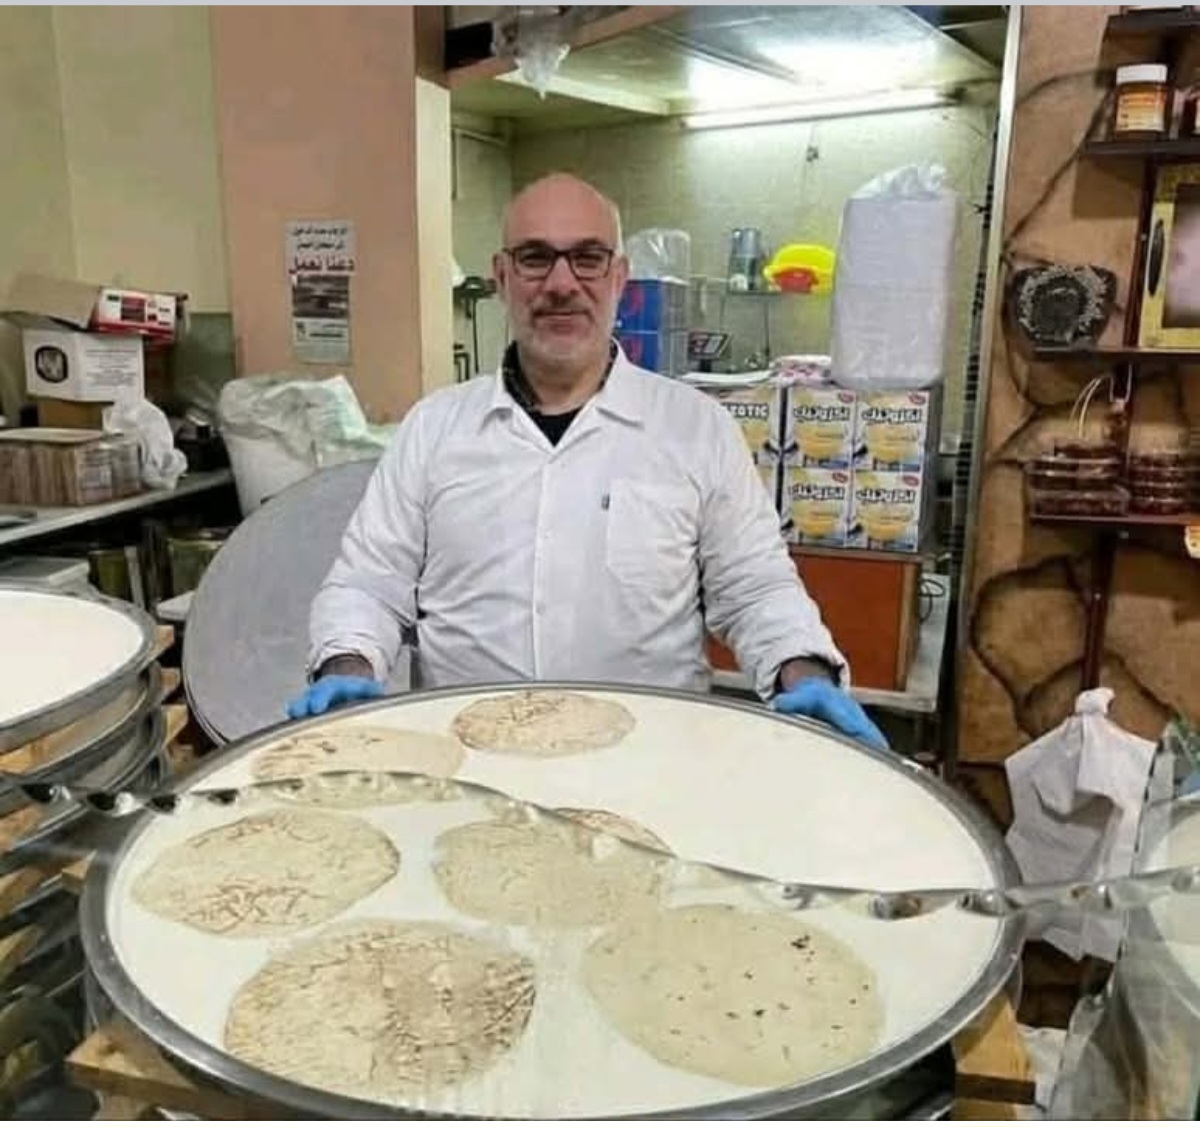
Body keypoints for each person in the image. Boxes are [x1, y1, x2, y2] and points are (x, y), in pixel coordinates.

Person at [287, 173, 886, 751]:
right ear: (501, 276)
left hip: (646, 766)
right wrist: (348, 663)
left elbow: (755, 589)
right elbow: (370, 582)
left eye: (588, 258)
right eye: (534, 258)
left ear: (619, 277)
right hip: (466, 765)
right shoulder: (433, 428)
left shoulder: (695, 428)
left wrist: (803, 671)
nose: (561, 283)